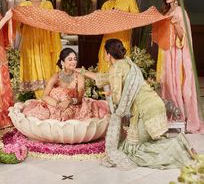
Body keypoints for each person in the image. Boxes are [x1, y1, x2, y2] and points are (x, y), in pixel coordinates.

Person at [75, 39, 195, 170]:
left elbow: (117, 96)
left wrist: (111, 96)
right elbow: (103, 78)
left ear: (109, 54)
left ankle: (177, 148)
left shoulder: (116, 68)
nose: (104, 55)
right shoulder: (127, 63)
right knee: (140, 143)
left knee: (133, 151)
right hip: (154, 103)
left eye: (104, 53)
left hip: (145, 110)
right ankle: (181, 144)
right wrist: (81, 72)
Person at [156, 0, 204, 133]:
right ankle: (170, 115)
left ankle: (181, 116)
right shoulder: (166, 11)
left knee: (177, 84)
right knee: (167, 84)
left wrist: (176, 24)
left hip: (176, 54)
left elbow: (184, 36)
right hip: (165, 52)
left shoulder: (180, 12)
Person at [22, 47, 109, 121]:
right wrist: (60, 104)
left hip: (74, 105)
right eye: (70, 59)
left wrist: (70, 101)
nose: (74, 62)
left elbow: (79, 98)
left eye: (75, 59)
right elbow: (44, 96)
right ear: (63, 62)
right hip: (55, 105)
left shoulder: (79, 75)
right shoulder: (56, 77)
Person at [18, 0, 62, 99]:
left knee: (46, 66)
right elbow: (20, 25)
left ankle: (47, 97)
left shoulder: (47, 4)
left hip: (45, 41)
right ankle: (40, 100)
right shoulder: (24, 5)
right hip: (30, 42)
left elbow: (53, 23)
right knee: (34, 67)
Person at [98, 0, 139, 72]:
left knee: (122, 69)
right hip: (107, 41)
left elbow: (136, 20)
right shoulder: (105, 5)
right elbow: (101, 24)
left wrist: (120, 15)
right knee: (105, 68)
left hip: (122, 41)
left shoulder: (129, 0)